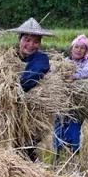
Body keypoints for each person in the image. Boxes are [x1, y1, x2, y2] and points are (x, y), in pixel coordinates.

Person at [11, 17, 54, 161]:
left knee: (25, 151)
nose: (31, 45)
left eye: (36, 41)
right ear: (20, 40)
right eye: (27, 40)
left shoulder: (41, 59)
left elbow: (31, 77)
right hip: (7, 117)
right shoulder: (9, 57)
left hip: (28, 118)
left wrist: (12, 89)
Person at [53, 34, 88, 159]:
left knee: (73, 130)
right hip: (62, 104)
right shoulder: (65, 62)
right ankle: (58, 156)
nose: (79, 50)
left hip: (77, 105)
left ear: (86, 51)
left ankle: (74, 157)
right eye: (76, 47)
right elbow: (56, 72)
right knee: (59, 129)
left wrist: (74, 76)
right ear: (71, 48)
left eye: (82, 48)